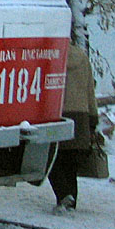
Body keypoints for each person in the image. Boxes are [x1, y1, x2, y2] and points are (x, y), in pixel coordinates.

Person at [49, 40, 98, 213]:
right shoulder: (82, 57)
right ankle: (71, 200)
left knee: (52, 159)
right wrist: (93, 119)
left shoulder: (51, 55)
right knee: (71, 162)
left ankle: (63, 196)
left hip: (58, 114)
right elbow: (89, 90)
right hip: (81, 116)